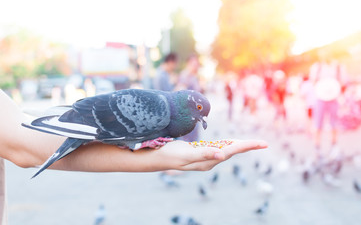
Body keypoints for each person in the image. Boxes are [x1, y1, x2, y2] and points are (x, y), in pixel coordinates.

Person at [0, 89, 267, 223]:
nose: (200, 118)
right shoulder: (161, 108)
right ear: (187, 103)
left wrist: (161, 157)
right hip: (92, 118)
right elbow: (23, 146)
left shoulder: (173, 114)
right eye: (197, 109)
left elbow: (24, 146)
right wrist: (149, 149)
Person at [309, 56, 347, 149]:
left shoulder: (338, 66)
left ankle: (334, 146)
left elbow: (344, 82)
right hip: (320, 98)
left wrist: (333, 88)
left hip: (334, 98)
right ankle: (317, 147)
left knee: (334, 123)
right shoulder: (316, 67)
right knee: (318, 124)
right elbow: (313, 82)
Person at [177, 55, 202, 141]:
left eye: (197, 64)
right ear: (188, 64)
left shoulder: (194, 76)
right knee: (188, 140)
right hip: (188, 114)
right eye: (194, 64)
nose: (196, 66)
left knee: (194, 139)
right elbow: (179, 92)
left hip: (194, 113)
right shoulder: (185, 76)